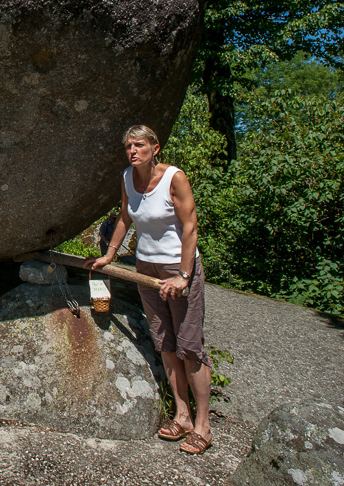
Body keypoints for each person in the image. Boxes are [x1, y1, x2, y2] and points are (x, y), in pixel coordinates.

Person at [84, 124, 212, 455]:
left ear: (155, 148)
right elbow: (125, 217)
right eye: (128, 146)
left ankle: (203, 426)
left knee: (190, 346)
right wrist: (109, 255)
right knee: (165, 342)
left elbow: (190, 226)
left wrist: (184, 276)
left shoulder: (174, 178)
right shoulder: (128, 178)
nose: (132, 151)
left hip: (177, 270)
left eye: (139, 145)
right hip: (147, 270)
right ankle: (181, 416)